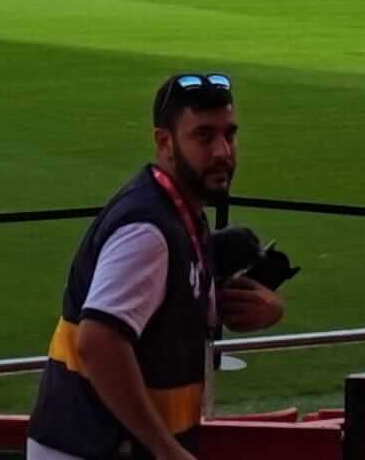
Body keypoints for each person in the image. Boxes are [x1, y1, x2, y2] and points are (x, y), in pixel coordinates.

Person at [27, 73, 283, 460]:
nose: (222, 152)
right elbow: (99, 342)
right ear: (164, 142)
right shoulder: (148, 230)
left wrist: (264, 307)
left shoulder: (181, 214)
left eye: (229, 135)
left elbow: (173, 305)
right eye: (203, 136)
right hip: (98, 448)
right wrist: (165, 449)